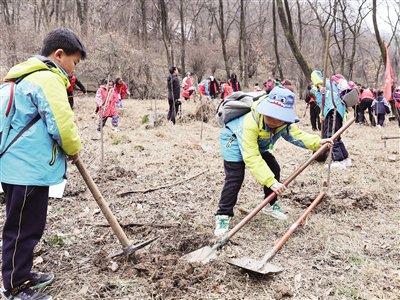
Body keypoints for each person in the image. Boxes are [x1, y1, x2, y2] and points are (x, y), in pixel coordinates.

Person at [0, 27, 86, 300]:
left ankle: (22, 275)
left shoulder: (26, 75)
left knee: (29, 225)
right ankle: (14, 287)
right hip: (26, 168)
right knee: (22, 228)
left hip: (24, 167)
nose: (73, 70)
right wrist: (73, 149)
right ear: (59, 55)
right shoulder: (47, 79)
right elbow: (62, 123)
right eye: (73, 62)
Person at [214, 86, 333, 236]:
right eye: (270, 116)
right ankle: (223, 214)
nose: (273, 121)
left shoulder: (284, 123)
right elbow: (251, 157)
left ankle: (270, 204)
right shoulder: (250, 122)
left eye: (279, 118)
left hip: (259, 142)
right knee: (235, 177)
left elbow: (297, 135)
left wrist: (317, 142)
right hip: (233, 140)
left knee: (274, 168)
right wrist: (271, 182)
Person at [311, 71, 352, 168]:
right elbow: (323, 103)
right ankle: (344, 158)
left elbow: (314, 73)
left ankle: (337, 160)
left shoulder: (326, 83)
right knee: (336, 137)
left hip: (332, 110)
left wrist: (319, 86)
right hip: (336, 111)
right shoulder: (333, 87)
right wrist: (322, 114)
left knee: (331, 136)